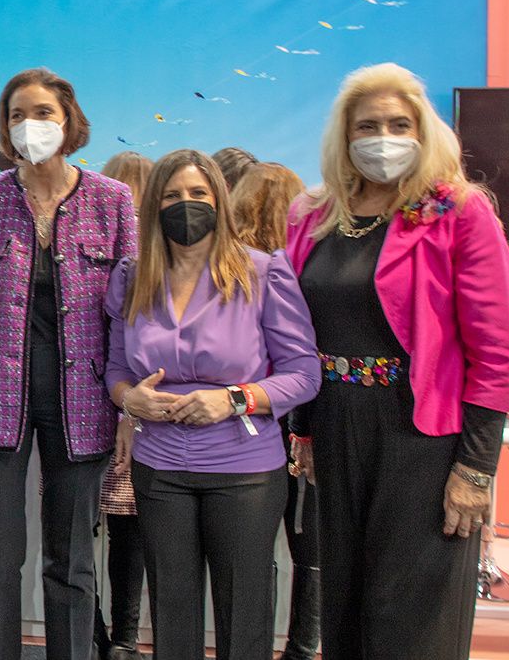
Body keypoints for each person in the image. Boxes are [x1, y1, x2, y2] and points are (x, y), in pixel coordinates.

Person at [286, 63, 509, 660]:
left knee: (408, 616)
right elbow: (298, 331)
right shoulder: (313, 216)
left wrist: (476, 469)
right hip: (335, 428)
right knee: (344, 604)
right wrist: (304, 427)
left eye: (399, 124)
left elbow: (495, 352)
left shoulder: (460, 213)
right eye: (368, 125)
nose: (383, 138)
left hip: (421, 437)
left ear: (423, 132)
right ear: (345, 134)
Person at [0, 70, 136, 660]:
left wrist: (128, 408)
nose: (31, 126)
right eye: (19, 115)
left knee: (71, 560)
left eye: (44, 112)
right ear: (5, 127)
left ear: (69, 121)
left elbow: (130, 313)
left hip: (87, 400)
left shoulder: (111, 199)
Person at [105, 149, 319, 660]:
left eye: (198, 194)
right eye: (173, 195)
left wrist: (236, 399)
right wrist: (129, 399)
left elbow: (305, 373)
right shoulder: (133, 278)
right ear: (154, 205)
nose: (186, 204)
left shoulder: (264, 274)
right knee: (172, 619)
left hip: (244, 473)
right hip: (159, 470)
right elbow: (115, 369)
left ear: (219, 200)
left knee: (243, 618)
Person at [230, 162, 317, 660]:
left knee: (252, 553)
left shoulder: (236, 266)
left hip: (247, 420)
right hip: (303, 415)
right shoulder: (304, 261)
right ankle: (304, 646)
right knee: (309, 548)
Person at [94, 150, 153, 660]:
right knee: (126, 527)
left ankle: (94, 631)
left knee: (73, 526)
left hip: (86, 398)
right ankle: (124, 637)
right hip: (130, 402)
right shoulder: (151, 265)